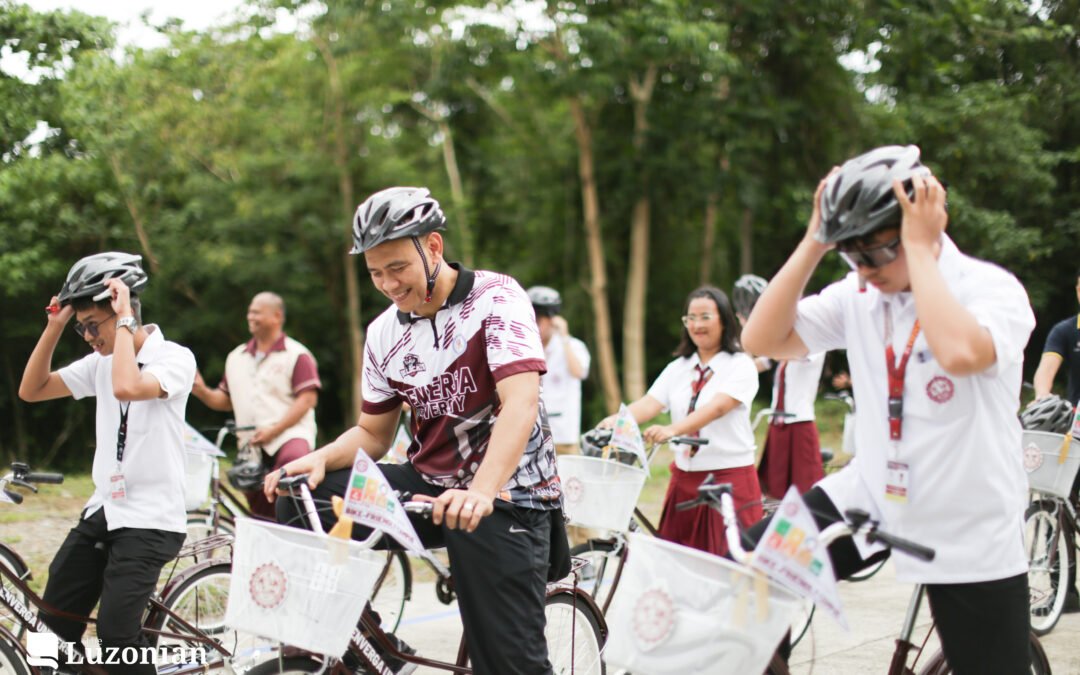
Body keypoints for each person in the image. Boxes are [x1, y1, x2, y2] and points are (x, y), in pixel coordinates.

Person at [743, 145, 1035, 673]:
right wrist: (815, 239)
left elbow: (961, 352)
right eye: (852, 255)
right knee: (748, 574)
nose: (866, 269)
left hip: (966, 521)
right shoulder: (857, 294)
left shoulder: (990, 288)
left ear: (918, 227)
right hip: (871, 495)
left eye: (878, 252)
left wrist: (921, 253)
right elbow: (761, 336)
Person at [264, 187, 567, 675]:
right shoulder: (384, 332)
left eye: (396, 267)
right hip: (429, 488)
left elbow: (520, 403)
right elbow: (372, 433)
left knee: (509, 666)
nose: (387, 283)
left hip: (508, 496)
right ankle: (370, 649)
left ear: (432, 248)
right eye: (374, 273)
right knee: (305, 497)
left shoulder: (498, 297)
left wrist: (480, 492)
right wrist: (320, 457)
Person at [18, 252, 195, 675]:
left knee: (117, 638)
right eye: (81, 327)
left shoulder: (174, 358)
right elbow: (33, 389)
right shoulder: (100, 361)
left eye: (92, 325)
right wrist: (55, 326)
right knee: (49, 630)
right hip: (105, 509)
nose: (87, 337)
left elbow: (126, 386)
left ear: (125, 309)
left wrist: (122, 323)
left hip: (151, 520)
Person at [607, 285, 763, 556]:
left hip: (728, 479)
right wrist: (611, 422)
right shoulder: (678, 368)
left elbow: (718, 407)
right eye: (691, 318)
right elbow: (649, 404)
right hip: (684, 479)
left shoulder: (741, 364)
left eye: (705, 317)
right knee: (675, 564)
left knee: (730, 567)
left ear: (724, 320)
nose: (697, 324)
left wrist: (673, 429)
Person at [191, 292, 320, 518]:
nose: (250, 316)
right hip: (251, 443)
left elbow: (308, 399)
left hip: (289, 435)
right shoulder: (236, 357)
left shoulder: (297, 354)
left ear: (276, 316)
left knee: (292, 468)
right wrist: (201, 390)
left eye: (257, 312)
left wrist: (274, 430)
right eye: (250, 311)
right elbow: (224, 401)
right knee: (259, 510)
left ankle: (302, 526)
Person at [734, 274, 828, 496]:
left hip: (799, 421)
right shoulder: (780, 350)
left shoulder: (815, 343)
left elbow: (775, 352)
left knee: (806, 490)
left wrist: (756, 327)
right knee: (773, 490)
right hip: (778, 421)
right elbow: (754, 363)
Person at [1030, 270, 1080, 613]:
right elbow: (1045, 372)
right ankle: (1064, 588)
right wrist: (1044, 401)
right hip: (1074, 431)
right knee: (1060, 499)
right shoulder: (1065, 331)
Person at [527, 286, 591, 454]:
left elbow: (579, 372)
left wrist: (564, 337)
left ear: (552, 320)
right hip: (531, 434)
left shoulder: (573, 346)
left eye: (539, 320)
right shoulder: (527, 347)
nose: (534, 325)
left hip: (563, 435)